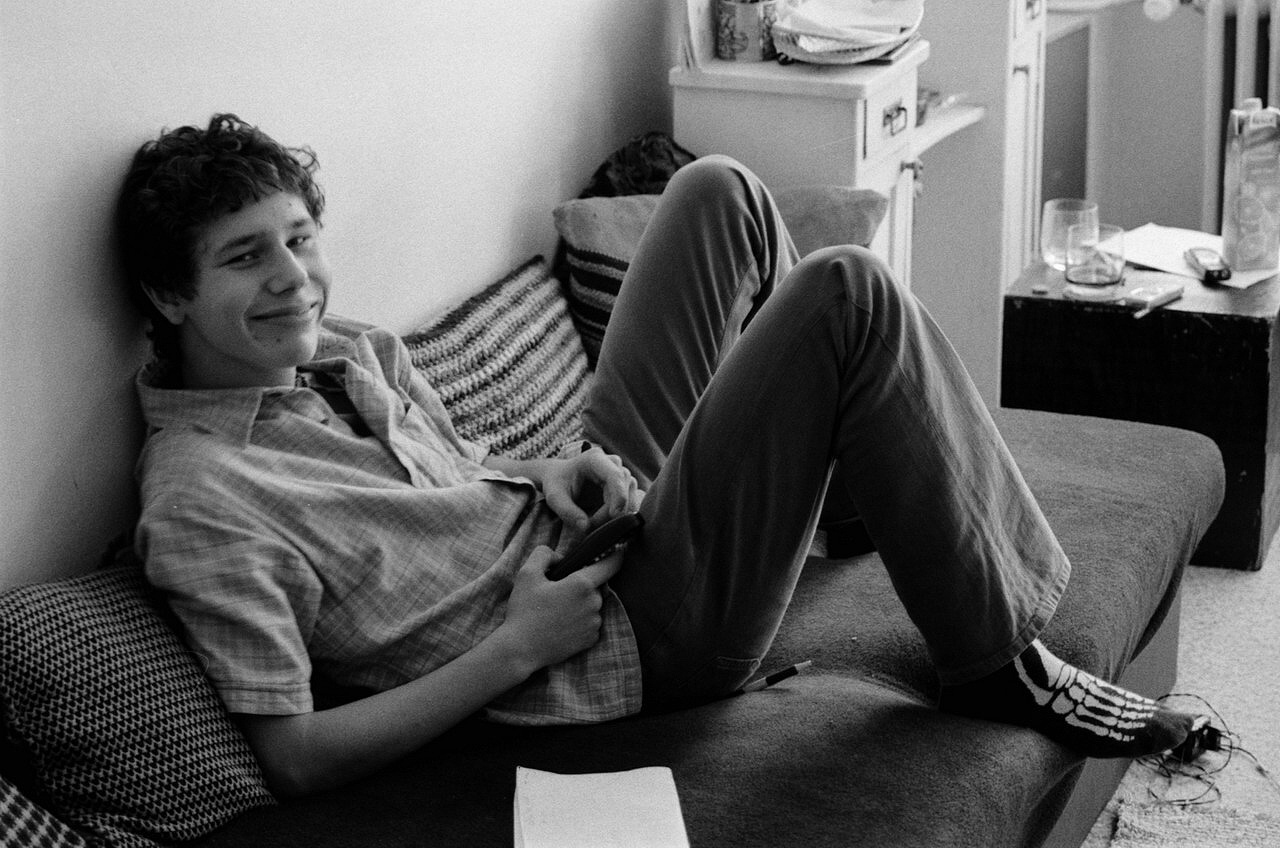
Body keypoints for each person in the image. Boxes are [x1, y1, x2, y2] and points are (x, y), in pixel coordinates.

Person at [118, 114, 1202, 798]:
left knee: (717, 191)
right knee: (845, 292)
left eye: (299, 238)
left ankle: (850, 487)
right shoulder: (203, 498)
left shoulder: (344, 351)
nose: (293, 278)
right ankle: (1001, 658)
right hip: (631, 635)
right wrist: (514, 648)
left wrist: (543, 470)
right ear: (169, 295)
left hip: (593, 526)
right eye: (245, 258)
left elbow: (452, 472)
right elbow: (293, 758)